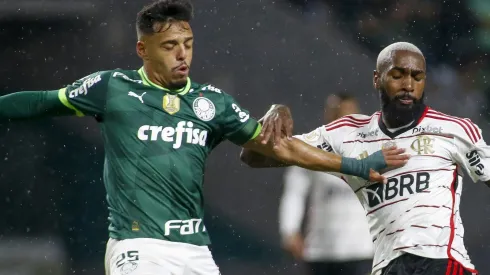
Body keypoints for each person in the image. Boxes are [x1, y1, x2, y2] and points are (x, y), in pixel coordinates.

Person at [0, 1, 409, 275]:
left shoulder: (210, 102)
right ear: (143, 49)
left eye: (188, 44)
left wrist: (355, 165)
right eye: (170, 46)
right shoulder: (113, 88)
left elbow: (277, 144)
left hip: (195, 251)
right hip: (139, 247)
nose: (183, 55)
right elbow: (39, 102)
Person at [241, 42, 488, 275]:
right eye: (397, 75)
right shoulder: (344, 134)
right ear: (377, 78)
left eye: (417, 77)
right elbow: (253, 156)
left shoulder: (454, 130)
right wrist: (274, 113)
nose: (408, 85)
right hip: (384, 266)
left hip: (441, 262)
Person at [279, 94, 373, 275]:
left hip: (362, 250)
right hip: (321, 250)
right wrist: (289, 230)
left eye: (349, 116)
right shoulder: (309, 149)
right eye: (337, 115)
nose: (343, 122)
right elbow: (294, 193)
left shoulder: (373, 150)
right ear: (328, 116)